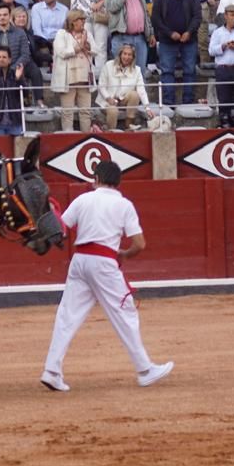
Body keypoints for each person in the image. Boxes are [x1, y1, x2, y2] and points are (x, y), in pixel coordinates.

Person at [40, 161, 173, 393]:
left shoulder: (83, 199)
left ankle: (51, 371)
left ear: (97, 179)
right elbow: (139, 243)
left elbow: (60, 228)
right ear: (118, 182)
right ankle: (144, 369)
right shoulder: (123, 205)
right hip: (104, 263)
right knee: (125, 312)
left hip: (80, 261)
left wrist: (51, 210)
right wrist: (124, 254)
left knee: (67, 315)